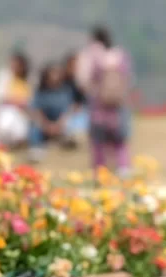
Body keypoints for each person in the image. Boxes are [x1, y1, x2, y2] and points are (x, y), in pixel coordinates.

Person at [74, 25, 133, 174]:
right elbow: (128, 79)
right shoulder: (119, 54)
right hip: (118, 104)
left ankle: (100, 171)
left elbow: (82, 79)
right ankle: (123, 169)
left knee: (98, 140)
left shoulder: (92, 53)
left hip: (98, 104)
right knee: (119, 140)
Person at [28, 63, 78, 161]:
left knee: (72, 125)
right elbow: (37, 111)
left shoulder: (65, 91)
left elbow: (68, 110)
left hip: (60, 123)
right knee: (35, 129)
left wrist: (58, 125)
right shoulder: (40, 92)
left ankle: (66, 141)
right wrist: (47, 126)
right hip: (44, 123)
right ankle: (36, 149)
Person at [0, 51, 33, 149]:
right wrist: (11, 100)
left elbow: (31, 99)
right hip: (5, 109)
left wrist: (22, 103)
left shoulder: (28, 79)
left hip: (23, 112)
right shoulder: (3, 76)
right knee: (5, 125)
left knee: (20, 132)